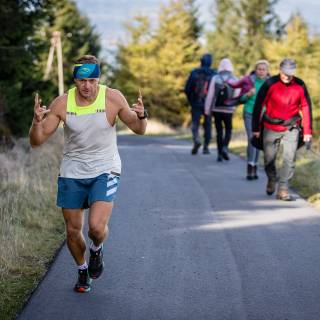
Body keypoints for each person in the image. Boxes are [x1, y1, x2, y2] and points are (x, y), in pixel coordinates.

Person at [29, 55, 147, 293]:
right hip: (72, 170)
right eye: (82, 81)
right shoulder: (62, 103)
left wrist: (142, 116)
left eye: (93, 80)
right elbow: (37, 141)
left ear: (98, 79)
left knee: (95, 227)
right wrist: (36, 122)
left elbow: (138, 129)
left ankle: (96, 250)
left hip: (106, 168)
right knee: (72, 230)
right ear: (75, 80)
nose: (87, 86)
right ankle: (82, 270)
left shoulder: (113, 98)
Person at [252, 58, 312, 201]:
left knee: (289, 158)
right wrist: (256, 128)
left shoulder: (299, 84)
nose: (287, 75)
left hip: (291, 126)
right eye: (285, 72)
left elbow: (306, 107)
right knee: (269, 159)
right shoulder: (270, 83)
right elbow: (259, 105)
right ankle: (272, 178)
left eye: (290, 73)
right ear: (280, 70)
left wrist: (308, 131)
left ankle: (283, 189)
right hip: (270, 127)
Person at [228, 60, 270, 179]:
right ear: (255, 70)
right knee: (252, 138)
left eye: (263, 69)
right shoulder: (249, 80)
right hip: (249, 113)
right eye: (259, 69)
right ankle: (250, 167)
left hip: (262, 115)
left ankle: (255, 165)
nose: (261, 71)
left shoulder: (270, 83)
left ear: (267, 71)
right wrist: (248, 95)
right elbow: (240, 99)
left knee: (258, 140)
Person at [204, 58, 239, 162]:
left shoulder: (215, 78)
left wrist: (207, 109)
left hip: (216, 109)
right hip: (229, 109)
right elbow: (237, 95)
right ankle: (225, 148)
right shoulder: (235, 79)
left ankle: (219, 155)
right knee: (228, 130)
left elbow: (210, 95)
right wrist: (234, 106)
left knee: (219, 131)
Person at [185, 53, 216, 155]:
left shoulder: (194, 72)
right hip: (209, 103)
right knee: (208, 125)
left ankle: (196, 139)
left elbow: (187, 89)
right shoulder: (214, 74)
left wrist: (191, 101)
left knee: (195, 123)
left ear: (201, 61)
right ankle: (206, 147)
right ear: (210, 62)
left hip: (196, 102)